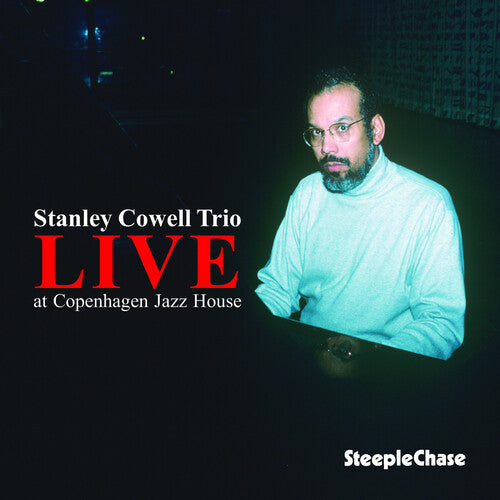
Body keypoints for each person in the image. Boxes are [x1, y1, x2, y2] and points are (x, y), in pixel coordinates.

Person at [255, 67, 465, 360]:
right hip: (309, 356)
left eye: (342, 128)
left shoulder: (429, 204)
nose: (326, 147)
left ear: (375, 129)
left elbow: (440, 324)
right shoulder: (308, 192)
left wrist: (371, 360)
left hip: (386, 370)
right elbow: (277, 288)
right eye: (317, 132)